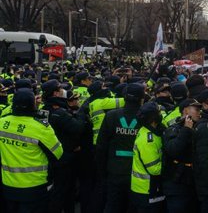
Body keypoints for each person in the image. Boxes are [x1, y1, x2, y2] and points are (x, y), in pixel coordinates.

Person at [0, 88, 63, 213]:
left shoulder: (2, 122)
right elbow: (58, 153)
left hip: (8, 184)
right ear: (32, 104)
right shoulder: (40, 127)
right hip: (34, 187)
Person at [96, 82, 145, 213]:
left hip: (114, 171)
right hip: (138, 173)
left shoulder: (111, 115)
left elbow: (101, 146)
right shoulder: (146, 118)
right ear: (142, 99)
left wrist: (102, 171)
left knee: (113, 206)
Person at [42, 79, 86, 213]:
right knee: (64, 190)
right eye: (60, 89)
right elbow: (78, 128)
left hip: (47, 156)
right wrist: (80, 113)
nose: (63, 92)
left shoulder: (42, 110)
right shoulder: (60, 112)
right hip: (64, 157)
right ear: (55, 93)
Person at [162, 98, 202, 213]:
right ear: (185, 111)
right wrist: (186, 130)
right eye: (196, 109)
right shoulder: (173, 129)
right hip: (177, 183)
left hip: (193, 183)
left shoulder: (199, 127)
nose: (200, 112)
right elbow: (173, 150)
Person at [131, 102, 166, 212]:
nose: (161, 114)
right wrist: (173, 166)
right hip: (147, 190)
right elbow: (154, 169)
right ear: (153, 118)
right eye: (159, 113)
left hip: (146, 188)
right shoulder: (148, 141)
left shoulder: (147, 130)